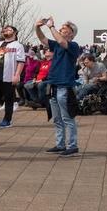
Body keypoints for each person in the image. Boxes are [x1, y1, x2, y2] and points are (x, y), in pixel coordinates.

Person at [36, 17, 82, 156]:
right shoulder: (56, 45)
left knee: (67, 117)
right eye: (60, 28)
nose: (61, 30)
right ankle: (60, 144)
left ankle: (73, 145)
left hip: (64, 86)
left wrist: (51, 27)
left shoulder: (73, 45)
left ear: (71, 33)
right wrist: (37, 27)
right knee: (57, 118)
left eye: (64, 28)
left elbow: (62, 41)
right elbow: (42, 39)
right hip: (54, 85)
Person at [0, 25, 26, 129]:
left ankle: (7, 120)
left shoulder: (18, 45)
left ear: (15, 32)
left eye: (9, 29)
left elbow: (21, 62)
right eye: (5, 29)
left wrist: (17, 75)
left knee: (9, 100)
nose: (6, 30)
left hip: (8, 77)